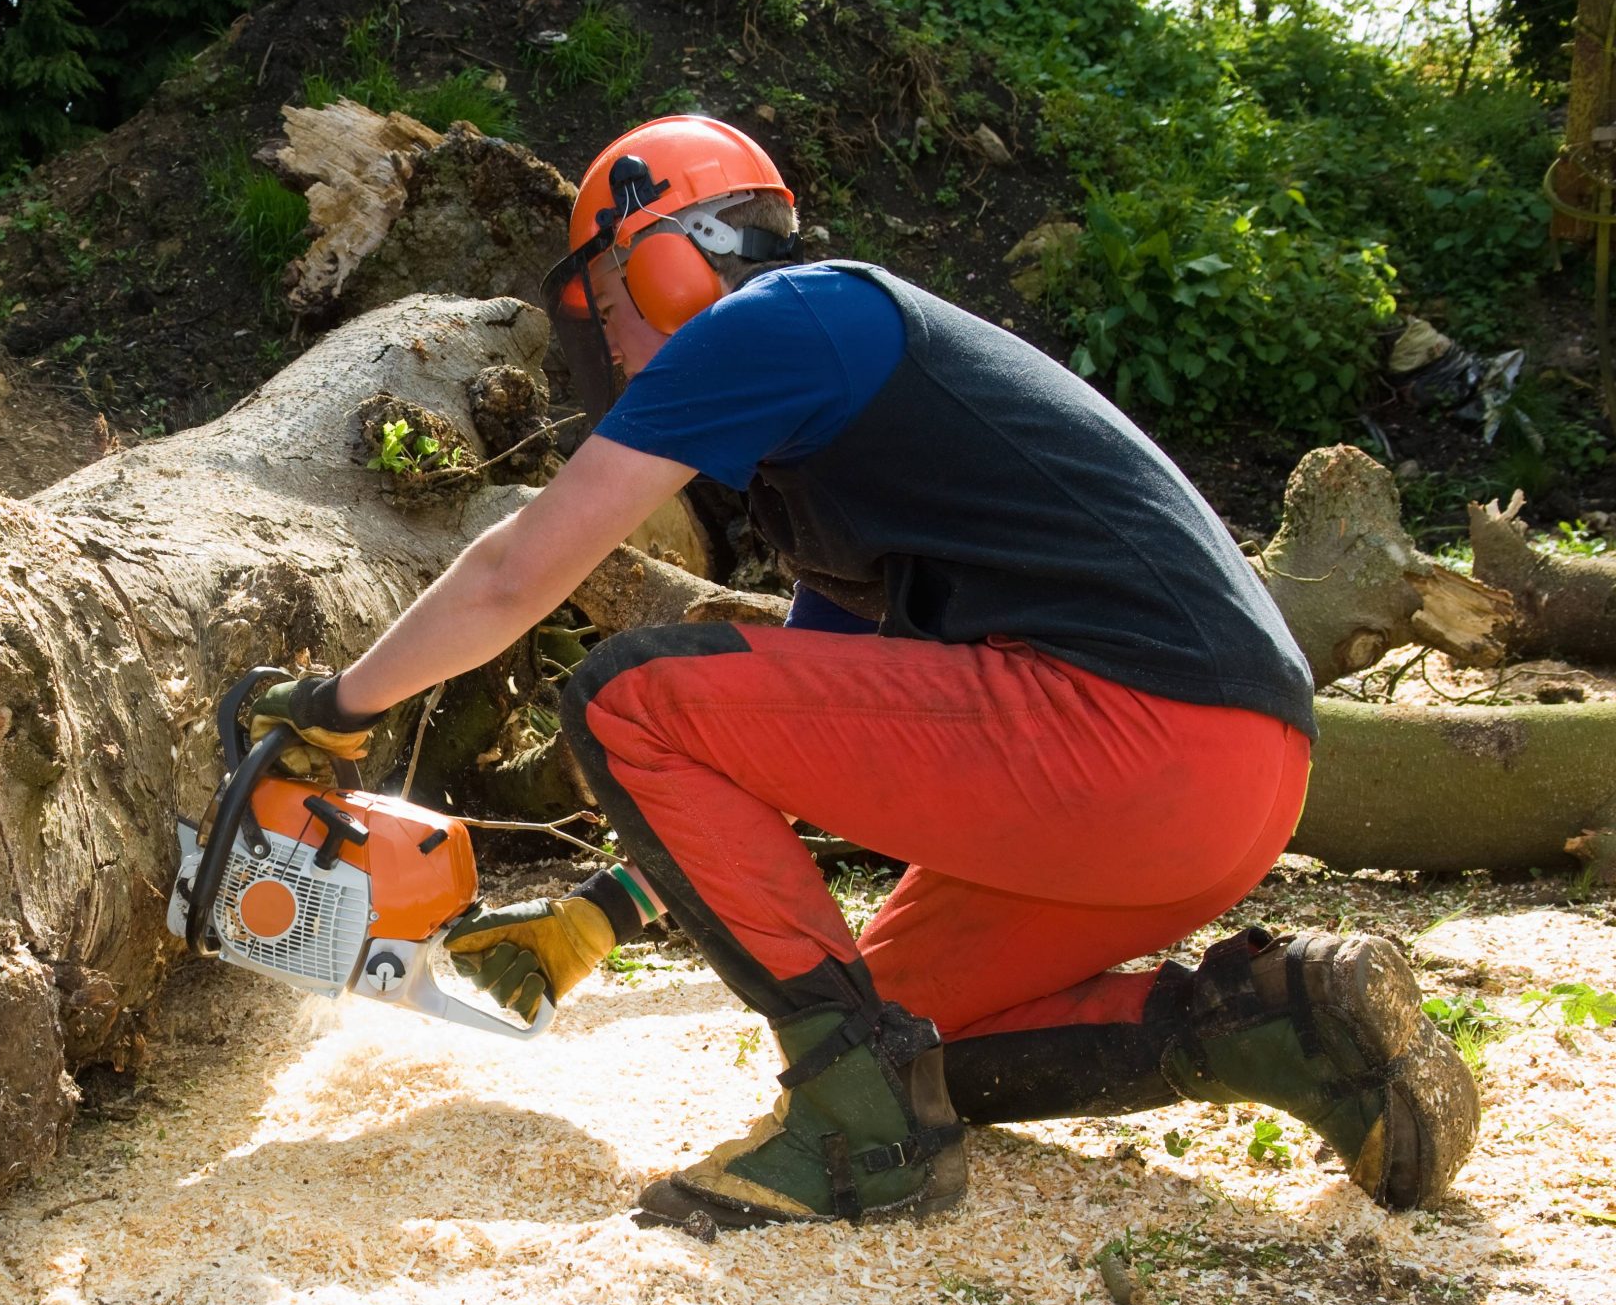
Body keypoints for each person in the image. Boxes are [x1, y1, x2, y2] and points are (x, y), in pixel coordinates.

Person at [252, 114, 1477, 1233]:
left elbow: (517, 572)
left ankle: (856, 1146)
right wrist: (602, 914)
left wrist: (333, 713)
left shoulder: (781, 319)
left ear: (663, 260)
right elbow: (792, 734)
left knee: (626, 693)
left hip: (1133, 732)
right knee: (899, 1035)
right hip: (1232, 781)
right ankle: (1279, 1030)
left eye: (607, 313)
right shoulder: (839, 446)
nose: (615, 355)